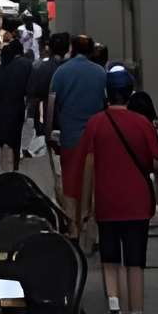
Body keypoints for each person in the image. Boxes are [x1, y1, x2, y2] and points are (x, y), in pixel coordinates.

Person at [76, 62, 158, 314]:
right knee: (135, 264)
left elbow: (88, 168)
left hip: (107, 202)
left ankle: (114, 310)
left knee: (110, 261)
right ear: (130, 93)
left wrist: (85, 207)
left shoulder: (95, 124)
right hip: (137, 204)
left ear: (107, 93)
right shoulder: (142, 124)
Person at [50, 36, 111, 226]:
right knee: (94, 183)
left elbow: (52, 104)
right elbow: (106, 104)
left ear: (72, 48)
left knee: (70, 182)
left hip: (70, 135)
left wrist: (49, 134)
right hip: (96, 137)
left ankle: (73, 227)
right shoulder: (100, 73)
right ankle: (90, 227)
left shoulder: (61, 72)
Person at [0, 35, 34, 173]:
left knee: (5, 144)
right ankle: (14, 169)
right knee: (14, 141)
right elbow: (30, 88)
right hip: (17, 107)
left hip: (1, 109)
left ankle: (7, 172)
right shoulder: (26, 65)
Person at [27, 29, 69, 159]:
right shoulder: (72, 68)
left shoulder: (39, 67)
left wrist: (32, 118)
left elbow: (33, 95)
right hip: (70, 116)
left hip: (48, 116)